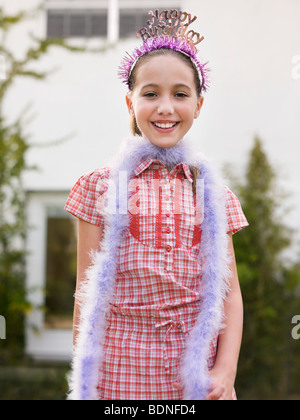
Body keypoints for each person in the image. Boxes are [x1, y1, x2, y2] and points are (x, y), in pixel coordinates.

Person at [65, 9, 249, 401]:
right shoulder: (100, 187)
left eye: (180, 94)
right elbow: (87, 291)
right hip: (120, 378)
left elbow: (229, 294)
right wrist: (85, 383)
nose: (165, 107)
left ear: (198, 104)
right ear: (130, 103)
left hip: (195, 379)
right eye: (150, 93)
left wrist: (225, 372)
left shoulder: (212, 192)